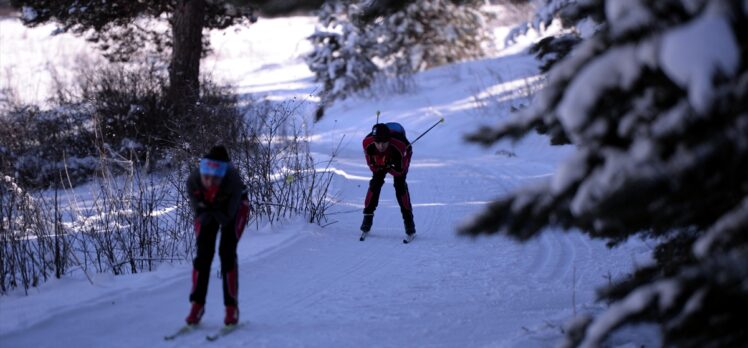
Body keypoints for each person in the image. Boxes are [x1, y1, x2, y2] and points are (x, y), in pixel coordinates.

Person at [184, 145, 250, 326]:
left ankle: (231, 307)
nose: (210, 179)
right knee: (203, 256)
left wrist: (211, 205)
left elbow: (227, 216)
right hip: (209, 211)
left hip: (234, 209)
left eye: (216, 175)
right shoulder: (193, 181)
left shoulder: (233, 181)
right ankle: (197, 305)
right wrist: (206, 207)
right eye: (207, 174)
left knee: (227, 254)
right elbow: (200, 213)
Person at [361, 123, 416, 236]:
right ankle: (367, 217)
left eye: (384, 143)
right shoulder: (367, 144)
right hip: (386, 158)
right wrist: (382, 165)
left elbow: (400, 171)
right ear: (373, 140)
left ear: (389, 140)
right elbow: (372, 167)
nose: (381, 146)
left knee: (400, 185)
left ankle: (409, 221)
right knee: (375, 183)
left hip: (399, 152)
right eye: (378, 143)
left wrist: (390, 166)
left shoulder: (400, 146)